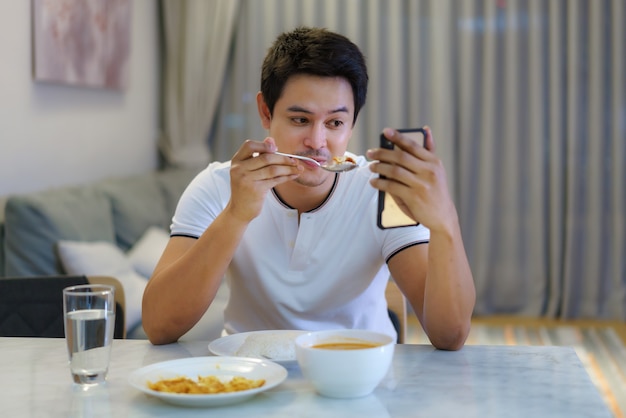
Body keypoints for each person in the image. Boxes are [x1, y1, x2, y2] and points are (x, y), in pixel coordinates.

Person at [142, 27, 475, 350]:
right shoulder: (217, 186)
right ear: (265, 111)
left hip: (358, 377)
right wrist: (236, 215)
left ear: (352, 123)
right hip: (251, 378)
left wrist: (445, 221)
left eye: (334, 123)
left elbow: (449, 335)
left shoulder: (381, 191)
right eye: (300, 120)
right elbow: (159, 325)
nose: (317, 142)